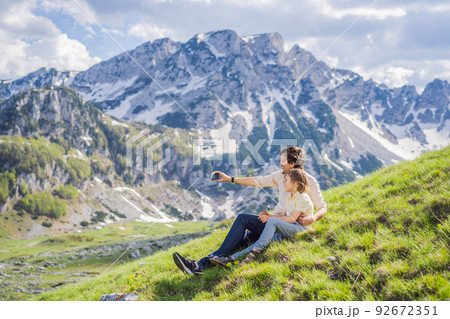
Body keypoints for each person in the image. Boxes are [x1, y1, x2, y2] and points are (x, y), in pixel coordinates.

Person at [172, 146, 327, 275]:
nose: (280, 166)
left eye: (283, 164)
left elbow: (322, 207)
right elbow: (257, 181)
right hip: (274, 221)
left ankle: (200, 266)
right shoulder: (281, 176)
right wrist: (229, 179)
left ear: (292, 164)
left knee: (243, 220)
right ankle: (201, 266)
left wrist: (313, 218)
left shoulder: (309, 182)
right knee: (244, 239)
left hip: (284, 227)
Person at [210, 168, 313, 266]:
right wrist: (269, 215)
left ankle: (255, 252)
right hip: (287, 228)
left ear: (295, 183)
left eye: (286, 180)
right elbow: (283, 216)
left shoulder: (302, 198)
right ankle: (232, 259)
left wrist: (270, 219)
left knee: (271, 223)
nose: (283, 182)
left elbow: (291, 219)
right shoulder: (289, 196)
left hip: (299, 229)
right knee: (265, 235)